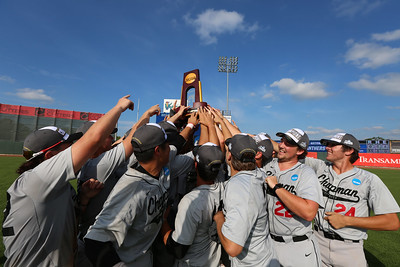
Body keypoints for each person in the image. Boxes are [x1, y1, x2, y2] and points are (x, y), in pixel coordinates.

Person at [2, 95, 134, 266]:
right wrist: (119, 108)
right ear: (49, 156)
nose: (73, 147)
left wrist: (84, 199)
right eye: (67, 146)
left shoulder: (57, 185)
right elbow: (93, 139)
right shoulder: (36, 179)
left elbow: (71, 224)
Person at [84, 123, 188, 266]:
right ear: (158, 150)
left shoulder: (160, 168)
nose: (170, 148)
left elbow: (176, 145)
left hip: (145, 256)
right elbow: (94, 241)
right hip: (129, 260)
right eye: (167, 144)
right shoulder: (131, 190)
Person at [303, 132, 400, 267]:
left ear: (349, 150)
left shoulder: (369, 179)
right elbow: (288, 152)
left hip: (349, 249)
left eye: (332, 145)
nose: (327, 148)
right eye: (327, 144)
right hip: (317, 241)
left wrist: (346, 220)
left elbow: (392, 222)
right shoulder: (320, 167)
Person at [160, 108, 224, 267]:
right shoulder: (225, 187)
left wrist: (163, 223)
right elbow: (209, 152)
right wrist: (208, 124)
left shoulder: (191, 201)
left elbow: (178, 249)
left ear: (195, 165)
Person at [213, 134, 278, 267]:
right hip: (264, 256)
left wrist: (219, 219)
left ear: (229, 156)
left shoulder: (239, 187)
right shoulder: (259, 173)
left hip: (253, 263)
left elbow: (233, 248)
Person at [262, 128, 323, 266]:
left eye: (288, 143)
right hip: (268, 244)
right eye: (282, 140)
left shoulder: (305, 173)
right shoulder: (266, 166)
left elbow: (309, 213)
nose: (282, 145)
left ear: (300, 151)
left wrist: (277, 188)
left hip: (297, 246)